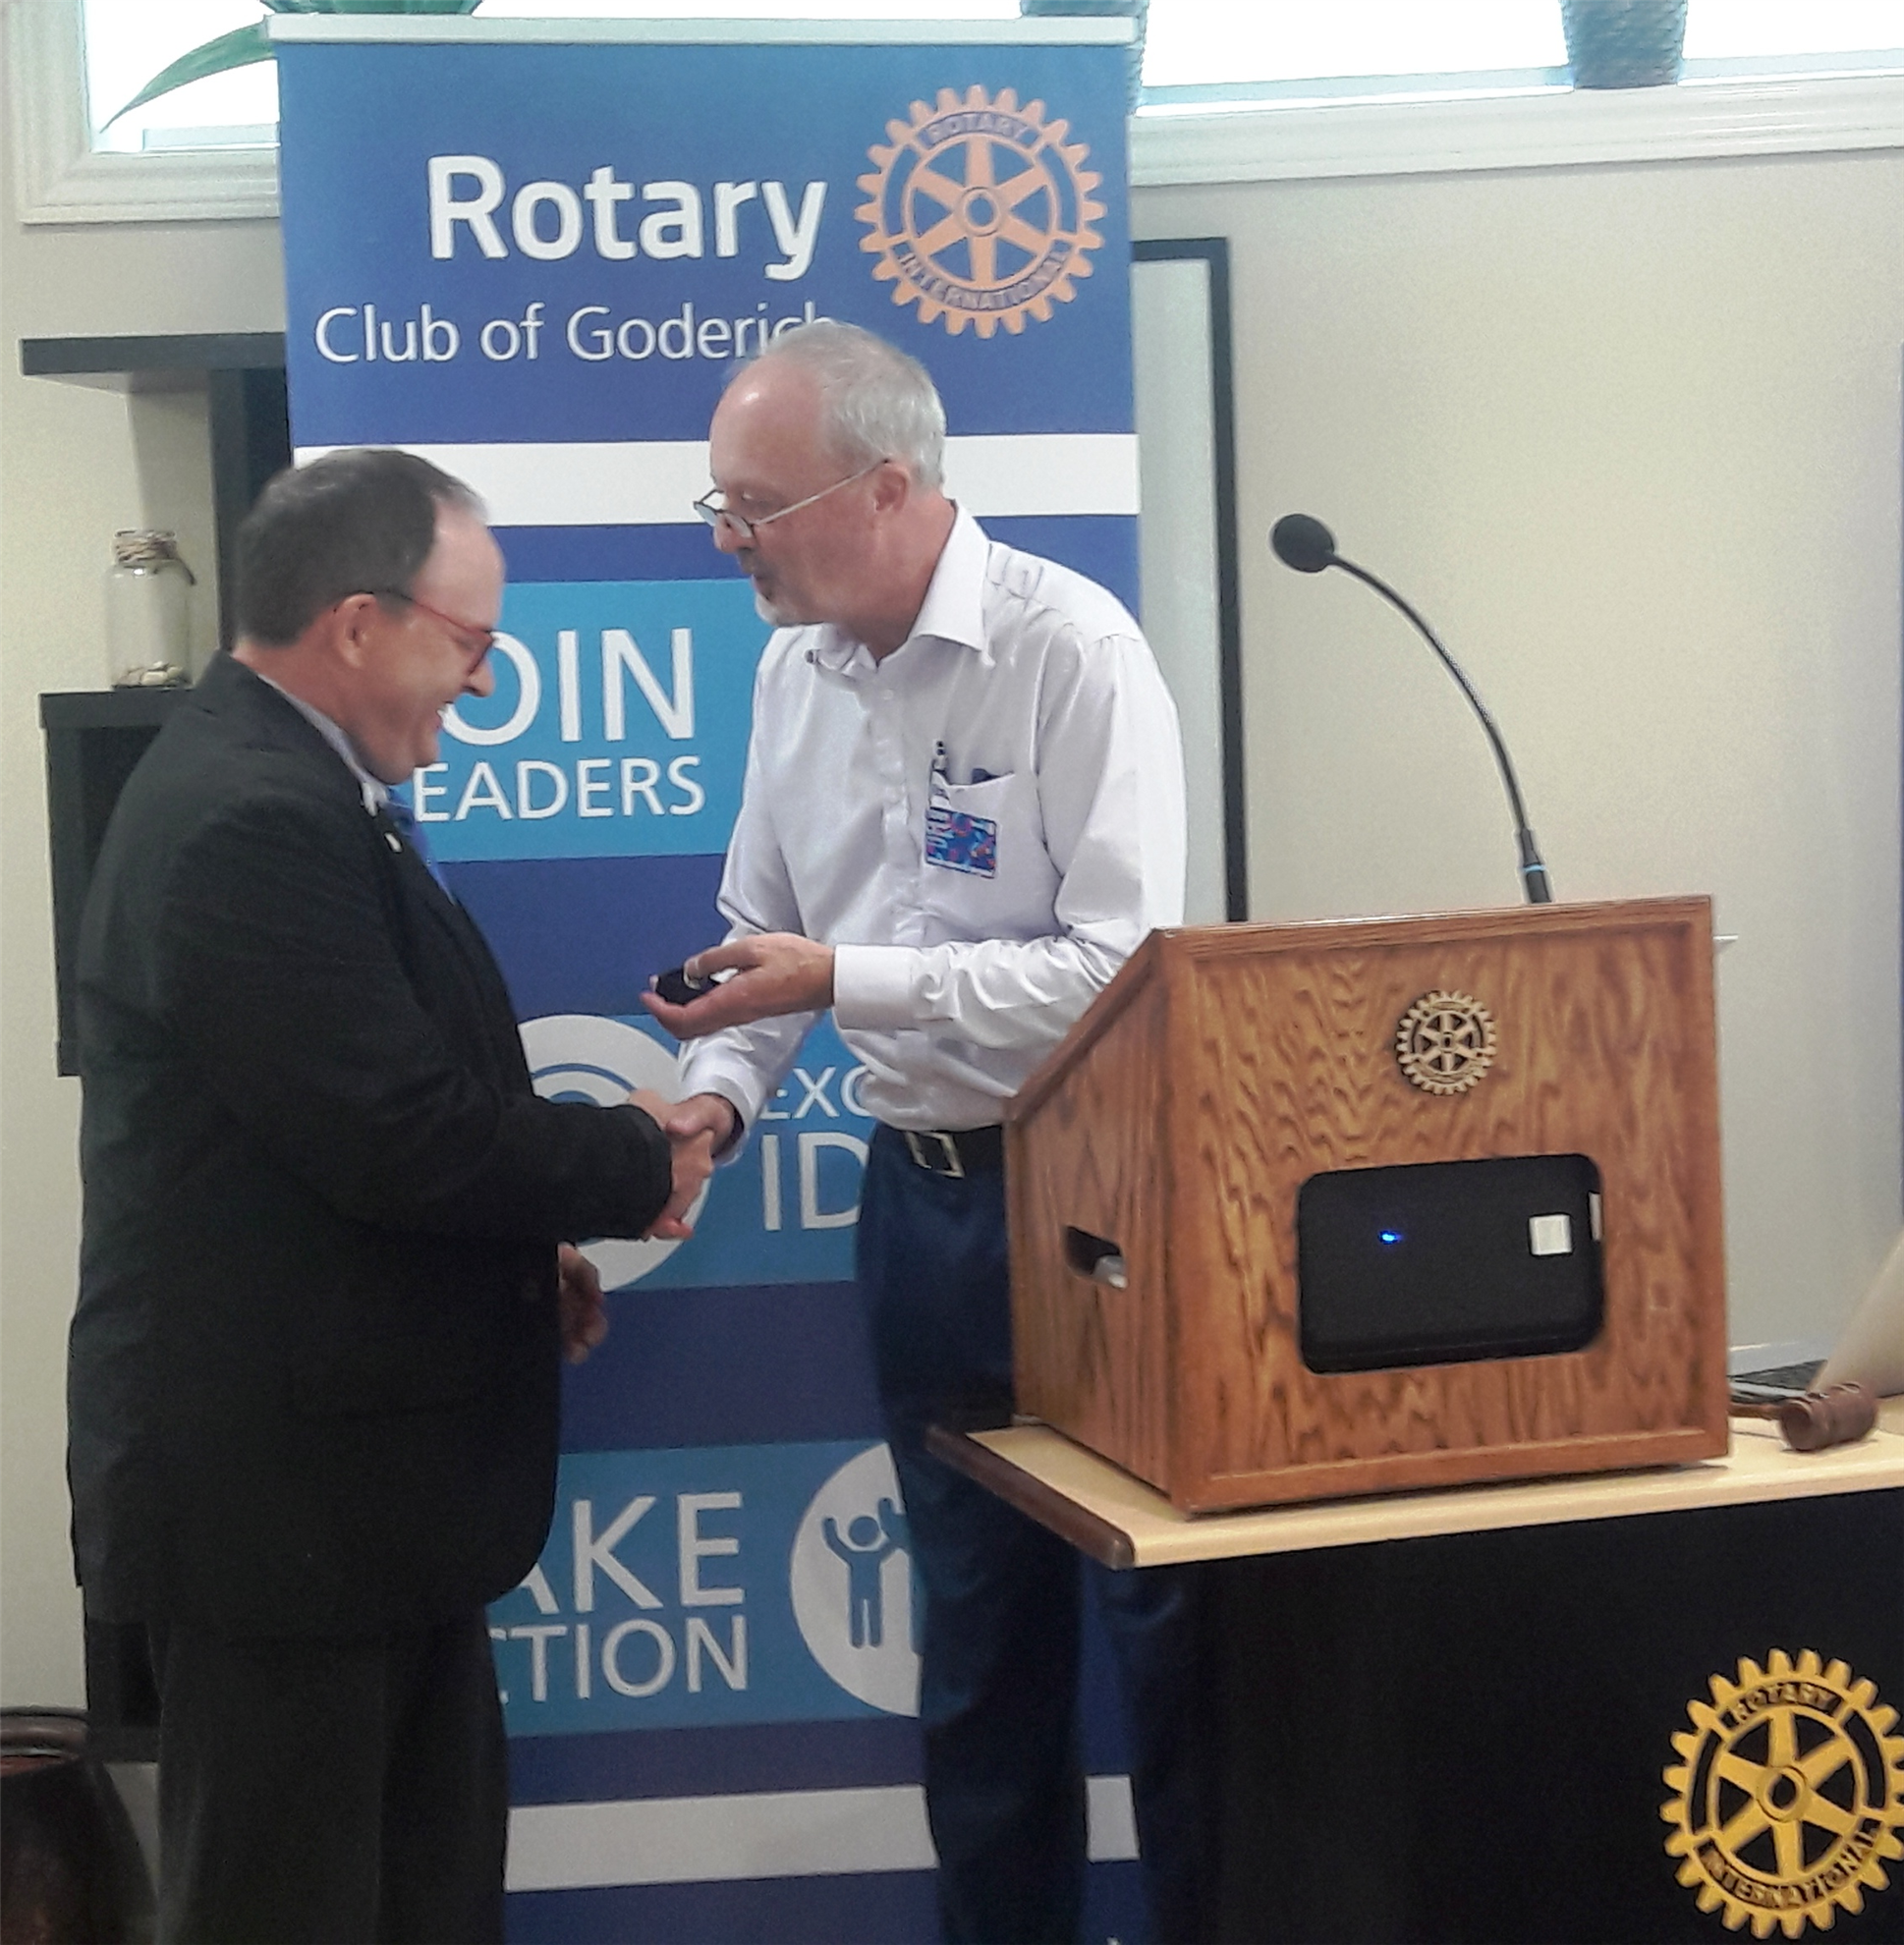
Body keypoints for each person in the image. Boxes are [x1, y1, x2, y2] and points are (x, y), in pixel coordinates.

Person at [67, 447, 713, 1945]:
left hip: (356, 1501)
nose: (479, 686)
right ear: (360, 625)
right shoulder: (248, 818)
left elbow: (345, 1137)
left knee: (419, 1898)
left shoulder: (295, 786)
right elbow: (398, 1133)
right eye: (471, 644)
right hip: (284, 1519)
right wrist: (635, 1157)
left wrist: (520, 1257)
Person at [644, 320, 1207, 1945]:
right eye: (719, 504)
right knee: (974, 1655)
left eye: (755, 506)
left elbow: (1116, 976)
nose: (728, 539)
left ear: (888, 488)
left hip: (1109, 1210)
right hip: (925, 1209)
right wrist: (712, 1097)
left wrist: (846, 977)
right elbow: (759, 943)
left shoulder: (1068, 650)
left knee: (1169, 1641)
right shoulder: (789, 674)